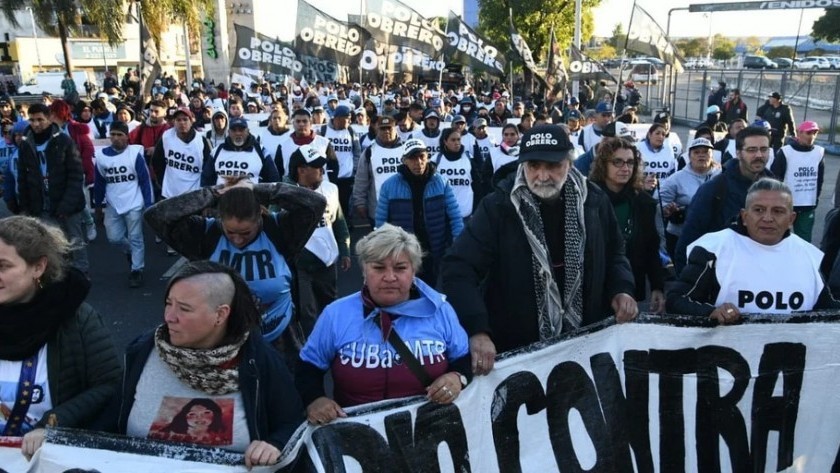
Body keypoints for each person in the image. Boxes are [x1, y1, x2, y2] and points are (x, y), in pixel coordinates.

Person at [441, 125, 637, 374]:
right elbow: (458, 268)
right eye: (534, 165)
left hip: (586, 348)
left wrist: (622, 289)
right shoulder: (498, 207)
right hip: (518, 353)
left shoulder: (594, 201)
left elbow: (615, 254)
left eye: (553, 166)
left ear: (569, 162)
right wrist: (477, 329)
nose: (542, 176)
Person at [106, 261, 303, 468]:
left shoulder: (259, 360)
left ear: (220, 314)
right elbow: (110, 420)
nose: (169, 317)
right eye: (168, 303)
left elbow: (291, 421)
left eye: (184, 308)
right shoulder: (142, 351)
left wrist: (274, 444)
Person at [296, 224, 471, 423]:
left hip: (429, 433)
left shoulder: (440, 310)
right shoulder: (335, 314)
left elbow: (463, 359)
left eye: (400, 268)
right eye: (378, 268)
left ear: (413, 271)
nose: (389, 277)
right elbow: (307, 368)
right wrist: (315, 400)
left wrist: (457, 378)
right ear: (364, 270)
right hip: (356, 437)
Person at [144, 179, 326, 348]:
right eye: (230, 232)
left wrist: (259, 190)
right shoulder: (205, 235)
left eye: (246, 233)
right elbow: (157, 215)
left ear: (260, 218)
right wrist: (214, 194)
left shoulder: (280, 230)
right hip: (223, 342)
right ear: (220, 220)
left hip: (281, 339)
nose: (238, 240)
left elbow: (315, 203)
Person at [0, 216, 121, 459]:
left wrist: (53, 423)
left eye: (3, 266)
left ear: (38, 267)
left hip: (48, 458)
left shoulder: (76, 318)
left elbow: (109, 384)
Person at [667, 179, 840, 321]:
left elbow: (827, 309)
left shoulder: (809, 255)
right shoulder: (713, 249)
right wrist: (710, 312)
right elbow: (676, 300)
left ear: (791, 218)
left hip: (791, 360)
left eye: (778, 211)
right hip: (727, 359)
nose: (767, 218)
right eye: (759, 210)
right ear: (744, 216)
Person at [674, 126, 774, 273]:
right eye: (752, 150)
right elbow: (687, 244)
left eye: (764, 149)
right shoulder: (714, 189)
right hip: (722, 277)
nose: (759, 155)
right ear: (739, 153)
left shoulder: (775, 189)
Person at [589, 137, 665, 313]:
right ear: (603, 164)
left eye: (630, 162)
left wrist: (657, 286)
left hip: (630, 286)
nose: (625, 168)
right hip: (595, 287)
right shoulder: (589, 199)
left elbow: (651, 247)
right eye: (618, 162)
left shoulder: (643, 202)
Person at [376, 139, 463, 286]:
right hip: (403, 251)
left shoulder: (441, 182)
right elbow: (381, 222)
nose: (418, 162)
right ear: (404, 160)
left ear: (427, 157)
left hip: (434, 249)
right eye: (412, 158)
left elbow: (455, 216)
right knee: (406, 292)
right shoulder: (388, 186)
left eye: (421, 157)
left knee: (430, 290)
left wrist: (459, 243)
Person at [16, 103, 89, 275]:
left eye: (40, 119)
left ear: (49, 118)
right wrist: (25, 206)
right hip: (41, 202)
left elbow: (76, 175)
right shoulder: (26, 144)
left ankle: (81, 274)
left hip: (67, 203)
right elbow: (23, 177)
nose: (36, 124)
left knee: (74, 241)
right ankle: (59, 276)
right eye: (32, 120)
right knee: (50, 244)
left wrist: (67, 205)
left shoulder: (63, 141)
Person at [286, 145, 351, 336]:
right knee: (307, 311)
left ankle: (333, 342)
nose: (322, 170)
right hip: (299, 264)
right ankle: (313, 351)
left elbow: (339, 221)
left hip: (327, 261)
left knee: (330, 306)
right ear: (301, 169)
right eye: (316, 166)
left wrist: (345, 250)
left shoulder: (331, 189)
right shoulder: (286, 193)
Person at [93, 121, 153, 288]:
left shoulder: (134, 154)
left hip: (134, 202)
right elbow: (99, 183)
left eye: (119, 134)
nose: (116, 138)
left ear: (127, 136)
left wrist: (148, 204)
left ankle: (137, 270)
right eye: (113, 134)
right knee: (114, 238)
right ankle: (130, 252)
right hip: (113, 202)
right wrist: (98, 205)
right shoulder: (102, 156)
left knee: (136, 237)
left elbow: (144, 181)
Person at [659, 137, 721, 258]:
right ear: (689, 156)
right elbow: (660, 201)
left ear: (712, 155)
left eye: (705, 152)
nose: (701, 155)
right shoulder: (676, 179)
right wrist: (668, 209)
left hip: (712, 238)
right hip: (680, 236)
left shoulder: (720, 176)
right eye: (697, 152)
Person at [770, 121, 825, 243]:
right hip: (786, 204)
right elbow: (775, 177)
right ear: (799, 133)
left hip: (807, 204)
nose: (812, 136)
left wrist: (815, 198)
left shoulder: (818, 152)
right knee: (779, 238)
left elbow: (820, 179)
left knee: (804, 241)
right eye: (809, 133)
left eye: (815, 133)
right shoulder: (786, 152)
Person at [151, 107, 214, 203]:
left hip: (194, 195)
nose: (182, 123)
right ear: (174, 122)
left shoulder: (201, 141)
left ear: (191, 121)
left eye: (185, 119)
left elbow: (208, 169)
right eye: (178, 120)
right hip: (170, 194)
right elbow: (156, 161)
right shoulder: (166, 137)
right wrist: (163, 181)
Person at [352, 116, 404, 224]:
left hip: (404, 209)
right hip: (378, 210)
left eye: (389, 128)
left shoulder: (406, 150)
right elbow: (361, 180)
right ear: (377, 130)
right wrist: (360, 203)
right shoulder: (369, 152)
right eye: (382, 129)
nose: (386, 131)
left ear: (395, 129)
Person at [204, 117, 280, 186]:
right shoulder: (217, 151)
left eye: (241, 130)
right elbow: (206, 178)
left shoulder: (261, 151)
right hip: (222, 198)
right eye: (234, 130)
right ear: (229, 132)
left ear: (248, 131)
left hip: (252, 198)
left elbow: (273, 178)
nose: (238, 133)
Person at [320, 105, 360, 224]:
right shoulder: (324, 130)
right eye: (347, 118)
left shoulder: (351, 131)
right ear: (337, 118)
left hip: (346, 177)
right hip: (329, 177)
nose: (350, 121)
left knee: (346, 206)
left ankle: (347, 227)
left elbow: (357, 152)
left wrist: (354, 169)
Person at [433, 128, 481, 221]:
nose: (457, 142)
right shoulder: (436, 159)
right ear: (445, 141)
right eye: (453, 140)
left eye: (458, 139)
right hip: (444, 214)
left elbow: (477, 185)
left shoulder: (468, 158)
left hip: (466, 213)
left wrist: (476, 210)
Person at [637, 122, 676, 191]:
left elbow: (673, 172)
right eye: (657, 133)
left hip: (664, 192)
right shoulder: (638, 147)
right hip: (642, 190)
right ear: (649, 135)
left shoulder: (669, 148)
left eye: (663, 134)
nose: (660, 136)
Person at [482, 123, 520, 193]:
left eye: (512, 134)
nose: (509, 137)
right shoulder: (493, 153)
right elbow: (486, 175)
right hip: (499, 194)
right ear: (502, 136)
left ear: (518, 136)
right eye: (506, 134)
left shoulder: (524, 152)